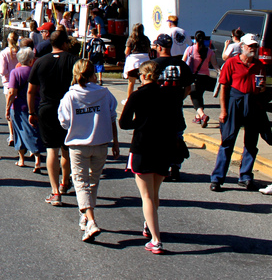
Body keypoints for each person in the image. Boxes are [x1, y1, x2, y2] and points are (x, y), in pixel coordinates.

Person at [58, 59, 119, 242]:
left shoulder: (70, 96)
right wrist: (115, 142)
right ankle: (86, 215)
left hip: (78, 145)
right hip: (101, 143)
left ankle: (90, 220)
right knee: (92, 182)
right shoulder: (105, 93)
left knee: (80, 183)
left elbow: (64, 122)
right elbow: (112, 117)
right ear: (93, 73)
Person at [119, 60, 177, 254]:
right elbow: (178, 122)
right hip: (164, 147)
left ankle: (156, 239)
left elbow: (124, 123)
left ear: (143, 76)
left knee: (146, 196)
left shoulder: (137, 96)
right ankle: (148, 225)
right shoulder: (168, 95)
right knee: (155, 193)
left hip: (143, 146)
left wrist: (140, 123)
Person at [209, 33, 272, 192]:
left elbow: (263, 88)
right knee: (227, 142)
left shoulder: (259, 65)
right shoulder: (231, 63)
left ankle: (245, 176)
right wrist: (223, 111)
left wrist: (263, 87)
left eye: (255, 46)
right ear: (242, 46)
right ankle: (217, 178)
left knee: (251, 143)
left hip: (252, 103)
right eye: (250, 46)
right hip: (234, 103)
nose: (252, 49)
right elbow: (224, 88)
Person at [27, 29, 78, 206]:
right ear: (65, 43)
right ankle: (65, 181)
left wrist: (31, 112)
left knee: (51, 150)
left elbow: (31, 90)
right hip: (69, 108)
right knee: (67, 147)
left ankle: (55, 191)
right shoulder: (74, 61)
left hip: (47, 107)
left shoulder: (40, 62)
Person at [151, 33, 194, 182]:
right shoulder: (181, 64)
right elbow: (188, 88)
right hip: (175, 107)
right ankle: (176, 167)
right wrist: (178, 98)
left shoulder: (153, 65)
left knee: (160, 138)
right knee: (177, 137)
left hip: (158, 109)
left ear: (159, 47)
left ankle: (163, 167)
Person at [5, 47, 42, 171]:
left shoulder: (15, 72)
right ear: (31, 60)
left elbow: (12, 92)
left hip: (19, 106)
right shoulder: (35, 71)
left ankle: (21, 159)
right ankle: (37, 158)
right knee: (33, 130)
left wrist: (7, 107)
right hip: (35, 105)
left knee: (18, 132)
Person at [182, 31, 218, 128]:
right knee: (199, 96)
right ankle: (198, 117)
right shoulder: (209, 51)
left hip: (193, 77)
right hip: (205, 77)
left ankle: (202, 115)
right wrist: (221, 72)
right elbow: (215, 65)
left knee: (194, 97)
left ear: (195, 39)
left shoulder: (190, 49)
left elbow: (183, 62)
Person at [0, 32, 20, 146]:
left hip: (8, 83)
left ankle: (11, 134)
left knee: (10, 108)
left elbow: (2, 70)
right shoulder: (20, 52)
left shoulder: (4, 53)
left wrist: (7, 74)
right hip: (20, 83)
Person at [123, 25, 152, 99]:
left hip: (134, 62)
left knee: (131, 82)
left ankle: (129, 99)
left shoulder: (131, 39)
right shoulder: (146, 39)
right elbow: (149, 50)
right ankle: (145, 98)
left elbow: (127, 51)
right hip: (145, 61)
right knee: (145, 82)